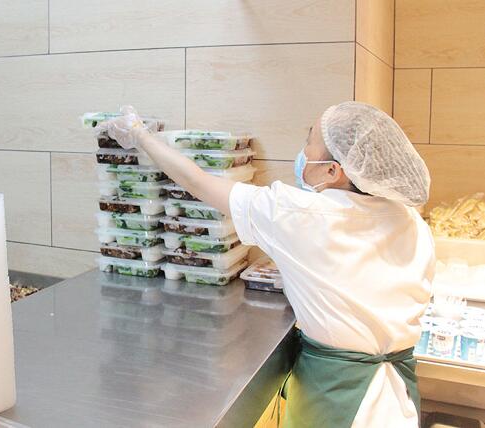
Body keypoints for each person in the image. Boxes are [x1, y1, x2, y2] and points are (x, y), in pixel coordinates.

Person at [100, 102, 435, 428]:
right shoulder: (411, 221)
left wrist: (140, 135)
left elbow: (197, 181)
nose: (302, 151)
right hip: (399, 400)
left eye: (309, 141)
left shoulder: (301, 214)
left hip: (339, 402)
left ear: (333, 171)